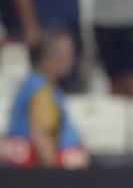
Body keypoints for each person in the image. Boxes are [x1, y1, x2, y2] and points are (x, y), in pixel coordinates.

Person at [2, 31, 88, 168]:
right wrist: (53, 176)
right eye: (67, 55)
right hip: (38, 177)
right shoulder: (41, 91)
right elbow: (41, 135)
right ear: (51, 58)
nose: (72, 60)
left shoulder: (39, 86)